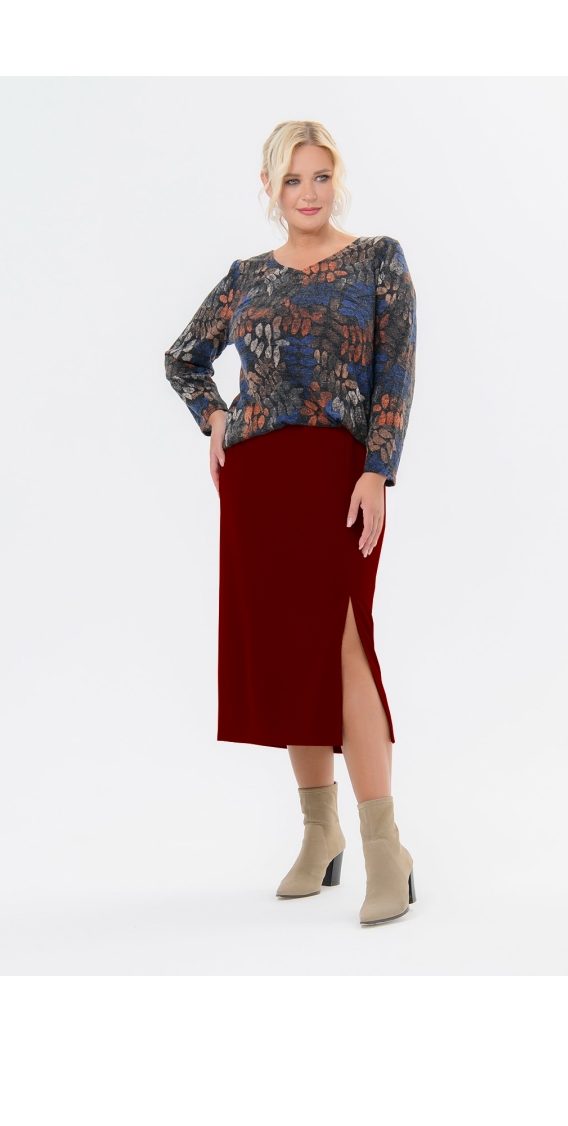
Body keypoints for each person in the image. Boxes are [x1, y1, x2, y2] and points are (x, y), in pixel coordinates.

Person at [164, 120, 417, 926]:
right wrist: (215, 419)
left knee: (344, 645)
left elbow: (395, 373)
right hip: (260, 480)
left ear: (336, 180)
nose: (308, 193)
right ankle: (319, 833)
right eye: (293, 180)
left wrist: (378, 468)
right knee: (288, 654)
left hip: (340, 475)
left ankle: (386, 848)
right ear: (270, 188)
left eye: (321, 176)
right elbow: (182, 357)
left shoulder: (376, 259)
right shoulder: (246, 277)